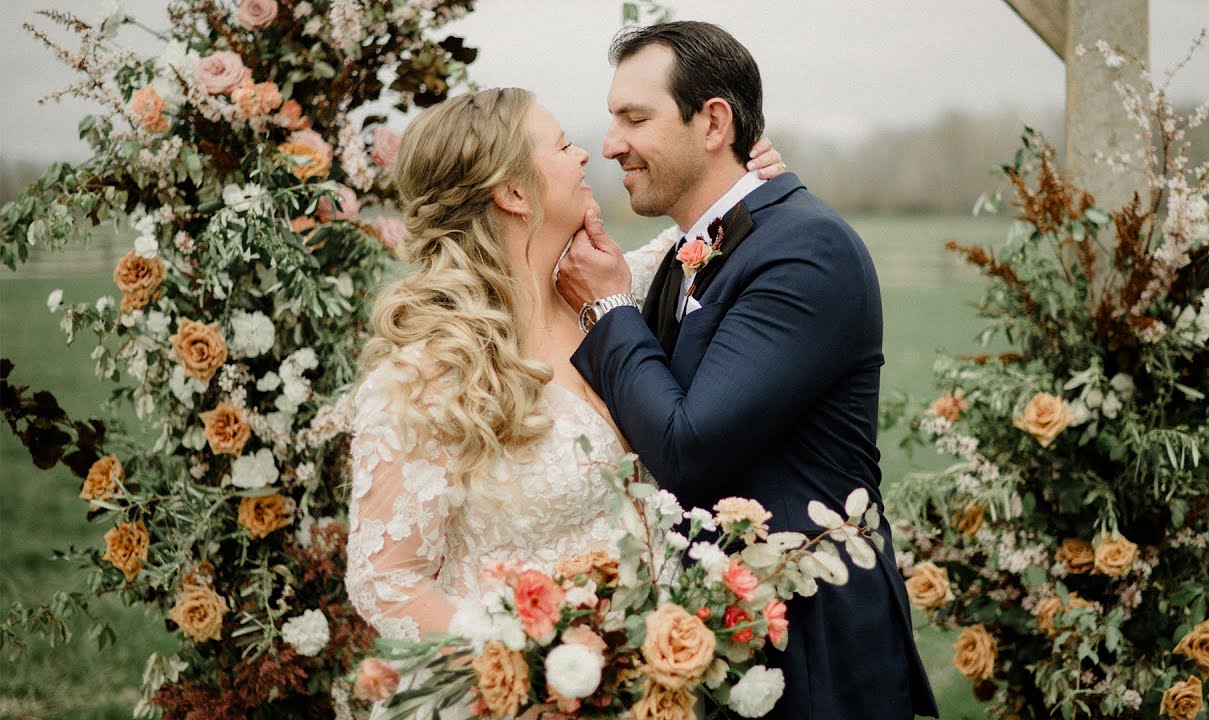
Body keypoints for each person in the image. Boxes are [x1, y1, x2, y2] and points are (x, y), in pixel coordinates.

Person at [343, 87, 783, 716]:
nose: (585, 155)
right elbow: (385, 579)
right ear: (514, 194)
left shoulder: (616, 293)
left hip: (652, 691)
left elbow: (719, 221)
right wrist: (532, 659)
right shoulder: (428, 375)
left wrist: (751, 172)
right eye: (562, 144)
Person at [555, 21, 939, 719]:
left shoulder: (806, 250)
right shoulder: (691, 249)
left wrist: (608, 306)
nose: (610, 144)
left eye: (634, 118)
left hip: (814, 647)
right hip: (724, 633)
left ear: (713, 122)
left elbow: (686, 446)